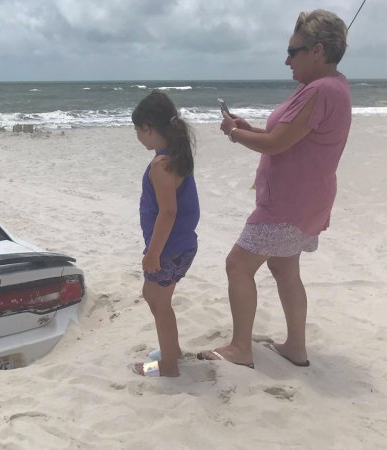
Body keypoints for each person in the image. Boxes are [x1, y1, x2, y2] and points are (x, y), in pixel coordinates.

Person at [198, 9, 352, 369]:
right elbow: (288, 137)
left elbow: (276, 145)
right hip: (307, 200)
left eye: (293, 51)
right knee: (284, 270)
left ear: (317, 51)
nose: (287, 61)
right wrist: (248, 127)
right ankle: (296, 347)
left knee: (237, 265)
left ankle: (240, 349)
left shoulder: (320, 90)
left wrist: (235, 133)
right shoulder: (333, 87)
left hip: (288, 204)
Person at [131, 90, 199, 377]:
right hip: (183, 245)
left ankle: (168, 366)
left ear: (147, 128)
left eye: (137, 130)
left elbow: (167, 213)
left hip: (168, 249)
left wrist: (153, 253)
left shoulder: (161, 165)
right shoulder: (176, 154)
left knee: (156, 299)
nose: (137, 136)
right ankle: (173, 352)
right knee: (162, 300)